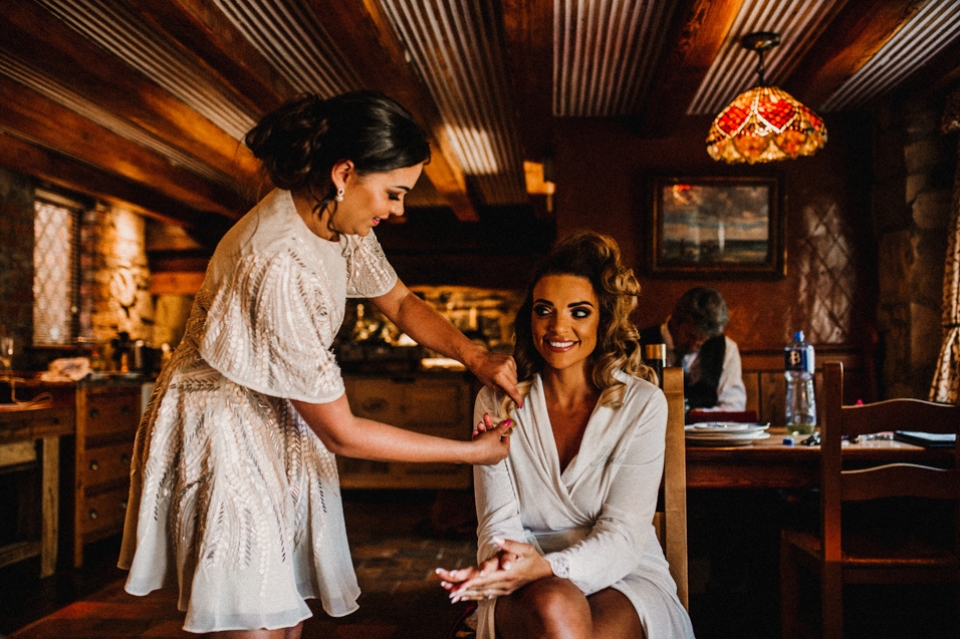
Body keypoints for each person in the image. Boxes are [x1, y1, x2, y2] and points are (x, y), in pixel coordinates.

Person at [118, 91, 520, 639]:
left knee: (286, 614)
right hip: (224, 425)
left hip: (278, 416)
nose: (398, 210)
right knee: (254, 619)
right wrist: (472, 454)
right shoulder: (279, 261)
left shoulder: (336, 220)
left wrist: (475, 355)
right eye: (393, 193)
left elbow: (400, 302)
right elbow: (343, 432)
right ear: (344, 172)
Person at [437, 231, 695, 639]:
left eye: (579, 312)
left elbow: (625, 535)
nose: (559, 326)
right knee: (555, 604)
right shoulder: (496, 400)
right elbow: (496, 524)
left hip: (624, 572)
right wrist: (510, 566)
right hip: (521, 574)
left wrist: (553, 567)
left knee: (564, 612)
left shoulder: (643, 404)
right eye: (545, 310)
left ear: (603, 319)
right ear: (531, 317)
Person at [639, 287, 745, 411]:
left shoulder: (726, 348)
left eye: (703, 341)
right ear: (675, 319)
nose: (694, 346)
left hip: (707, 429)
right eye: (690, 336)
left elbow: (734, 406)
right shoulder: (638, 343)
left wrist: (700, 415)